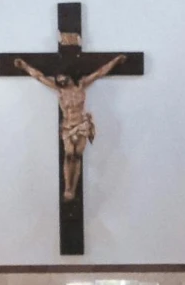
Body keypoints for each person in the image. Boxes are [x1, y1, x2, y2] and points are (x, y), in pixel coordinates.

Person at [14, 53, 127, 201]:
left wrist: (116, 61)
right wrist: (24, 66)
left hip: (81, 126)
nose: (60, 79)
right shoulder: (60, 91)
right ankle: (68, 187)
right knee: (68, 154)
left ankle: (73, 188)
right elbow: (39, 77)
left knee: (77, 155)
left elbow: (100, 72)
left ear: (69, 75)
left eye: (62, 76)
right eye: (58, 78)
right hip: (68, 127)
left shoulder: (82, 86)